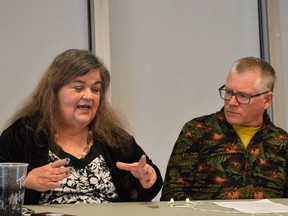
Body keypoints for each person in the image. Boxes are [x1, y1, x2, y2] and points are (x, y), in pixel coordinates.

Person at [0, 49, 163, 204]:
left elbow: (141, 188)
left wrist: (148, 179)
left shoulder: (115, 139)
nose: (89, 96)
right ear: (54, 92)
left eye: (96, 89)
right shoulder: (23, 134)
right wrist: (26, 181)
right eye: (78, 88)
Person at [161, 56, 288, 201]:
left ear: (267, 100)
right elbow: (172, 194)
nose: (232, 102)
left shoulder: (282, 142)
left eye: (243, 95)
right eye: (228, 92)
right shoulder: (198, 131)